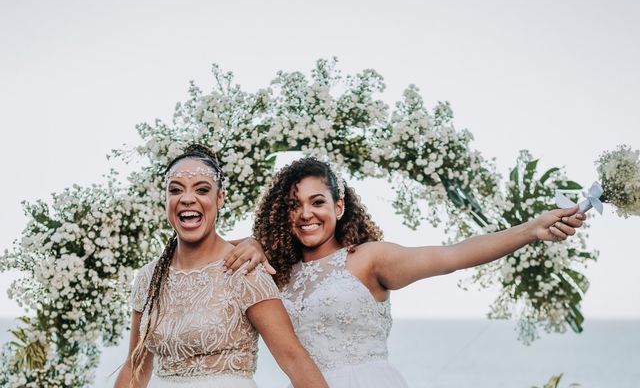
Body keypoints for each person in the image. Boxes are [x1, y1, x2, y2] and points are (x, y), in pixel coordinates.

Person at [223, 157, 585, 387]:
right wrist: (254, 242)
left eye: (317, 202)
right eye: (293, 205)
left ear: (339, 205)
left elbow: (453, 255)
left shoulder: (368, 259)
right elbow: (213, 258)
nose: (306, 214)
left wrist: (532, 229)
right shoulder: (276, 271)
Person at [114, 145, 328, 388]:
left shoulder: (244, 270)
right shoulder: (148, 277)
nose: (186, 199)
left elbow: (293, 359)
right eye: (175, 190)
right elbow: (135, 366)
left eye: (202, 190)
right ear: (166, 199)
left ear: (220, 198)